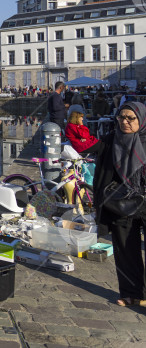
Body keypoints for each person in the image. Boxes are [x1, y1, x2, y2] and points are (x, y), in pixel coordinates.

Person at [93, 101, 146, 307]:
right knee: (125, 250)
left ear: (141, 120)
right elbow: (100, 174)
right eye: (121, 118)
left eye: (130, 118)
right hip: (122, 203)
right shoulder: (110, 140)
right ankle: (131, 293)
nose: (124, 122)